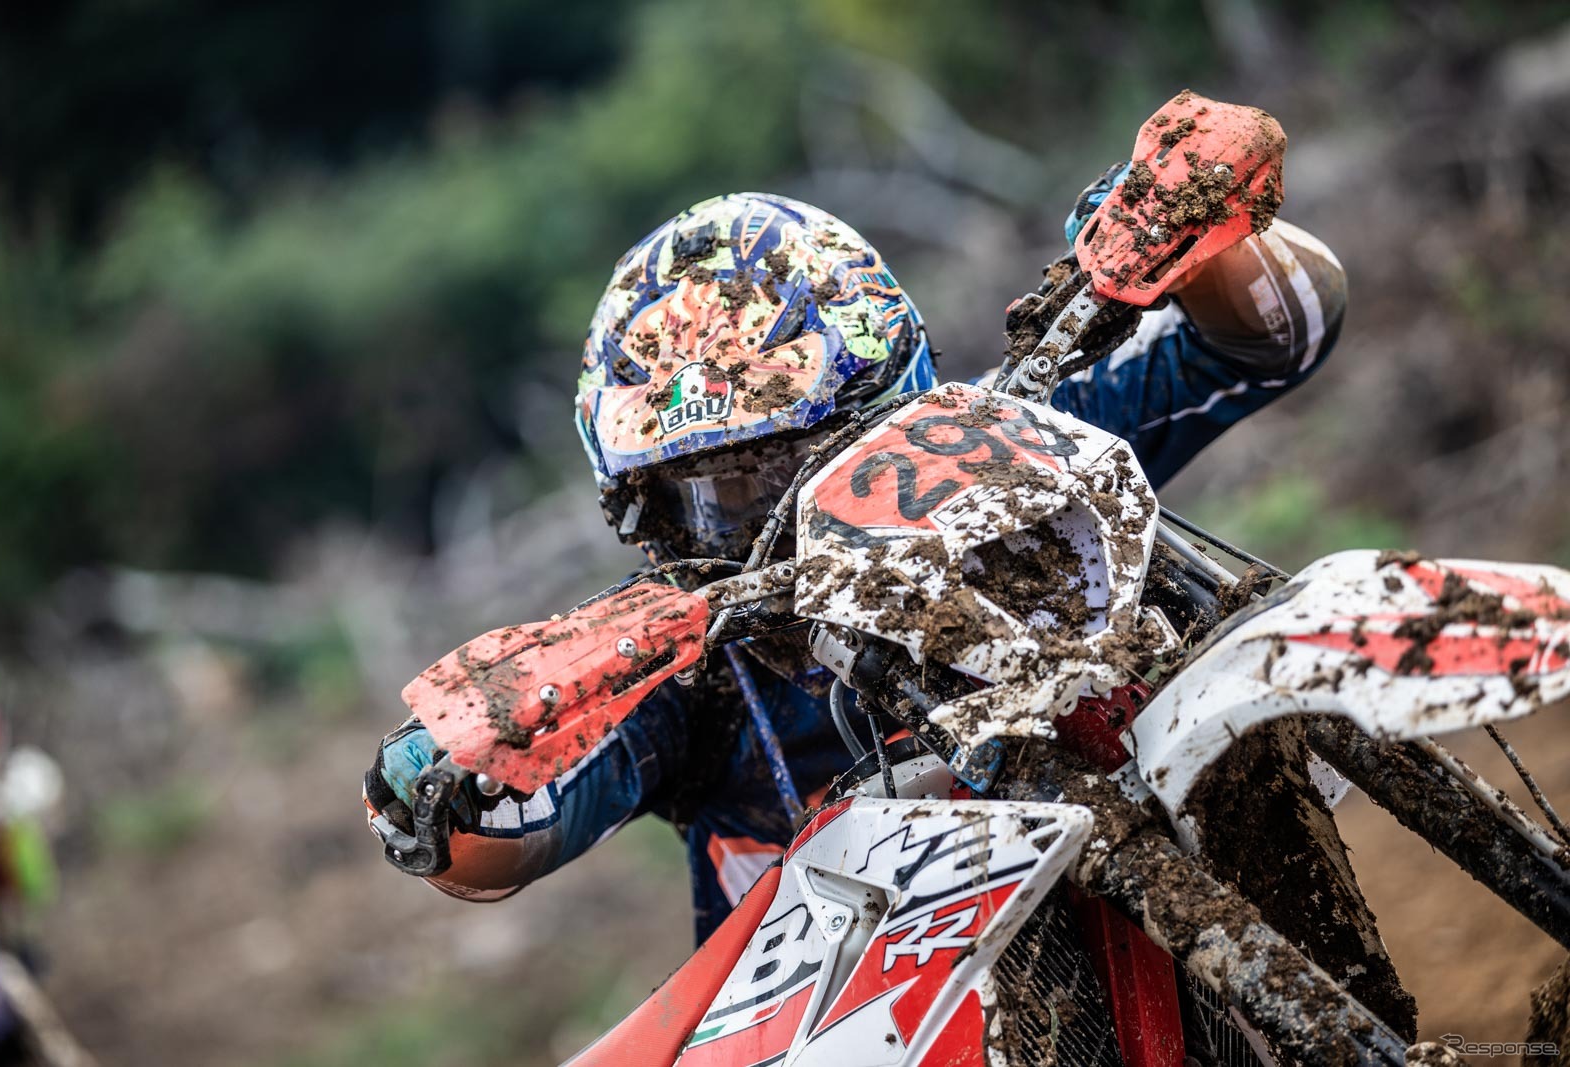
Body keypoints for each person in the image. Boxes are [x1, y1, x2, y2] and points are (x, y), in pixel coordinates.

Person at [364, 176, 1347, 941]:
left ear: (882, 401)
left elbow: (1284, 326)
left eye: (788, 463)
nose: (763, 517)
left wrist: (1182, 244)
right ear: (644, 504)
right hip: (853, 1010)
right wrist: (442, 784)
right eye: (710, 491)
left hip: (1139, 909)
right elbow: (512, 832)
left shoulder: (1009, 460)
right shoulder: (672, 665)